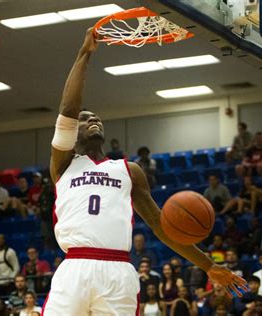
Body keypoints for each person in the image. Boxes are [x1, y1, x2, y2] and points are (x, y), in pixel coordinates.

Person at [42, 28, 246, 316]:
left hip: (118, 272)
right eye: (86, 119)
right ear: (73, 131)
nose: (94, 120)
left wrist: (209, 265)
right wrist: (84, 53)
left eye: (96, 118)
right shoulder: (63, 164)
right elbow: (68, 108)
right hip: (75, 267)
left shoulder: (130, 171)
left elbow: (162, 227)